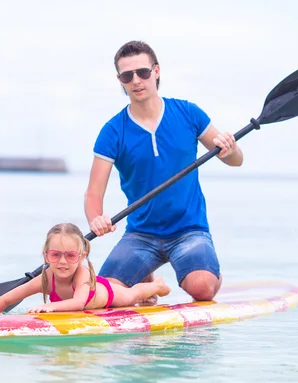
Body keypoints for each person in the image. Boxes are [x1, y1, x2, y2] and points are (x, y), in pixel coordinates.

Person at [84, 40, 244, 303]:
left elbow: (235, 161)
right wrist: (95, 219)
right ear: (120, 81)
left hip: (189, 231)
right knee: (107, 295)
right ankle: (146, 280)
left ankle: (209, 273)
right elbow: (93, 193)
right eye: (127, 75)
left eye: (143, 72)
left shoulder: (188, 113)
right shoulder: (113, 131)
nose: (136, 80)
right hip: (140, 234)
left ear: (156, 71)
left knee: (202, 289)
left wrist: (231, 149)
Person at [0, 222, 171, 322]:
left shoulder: (82, 274)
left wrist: (51, 308)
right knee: (134, 294)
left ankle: (157, 285)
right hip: (94, 294)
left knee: (132, 295)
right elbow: (5, 300)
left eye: (70, 255)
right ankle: (151, 285)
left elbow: (79, 303)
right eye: (55, 255)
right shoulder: (44, 279)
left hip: (109, 294)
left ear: (81, 255)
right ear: (45, 255)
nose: (62, 262)